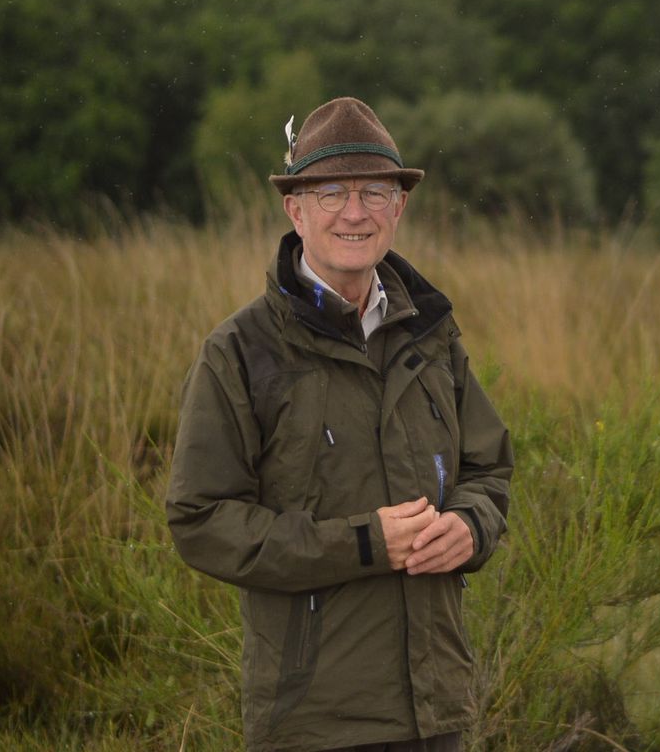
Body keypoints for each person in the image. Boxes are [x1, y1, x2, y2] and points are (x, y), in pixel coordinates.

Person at [167, 97, 513, 752]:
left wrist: (471, 527)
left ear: (398, 208)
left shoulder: (432, 335)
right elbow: (200, 520)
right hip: (314, 722)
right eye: (331, 193)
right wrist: (362, 543)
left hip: (437, 711)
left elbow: (489, 468)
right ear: (295, 210)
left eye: (374, 192)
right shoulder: (240, 352)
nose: (355, 212)